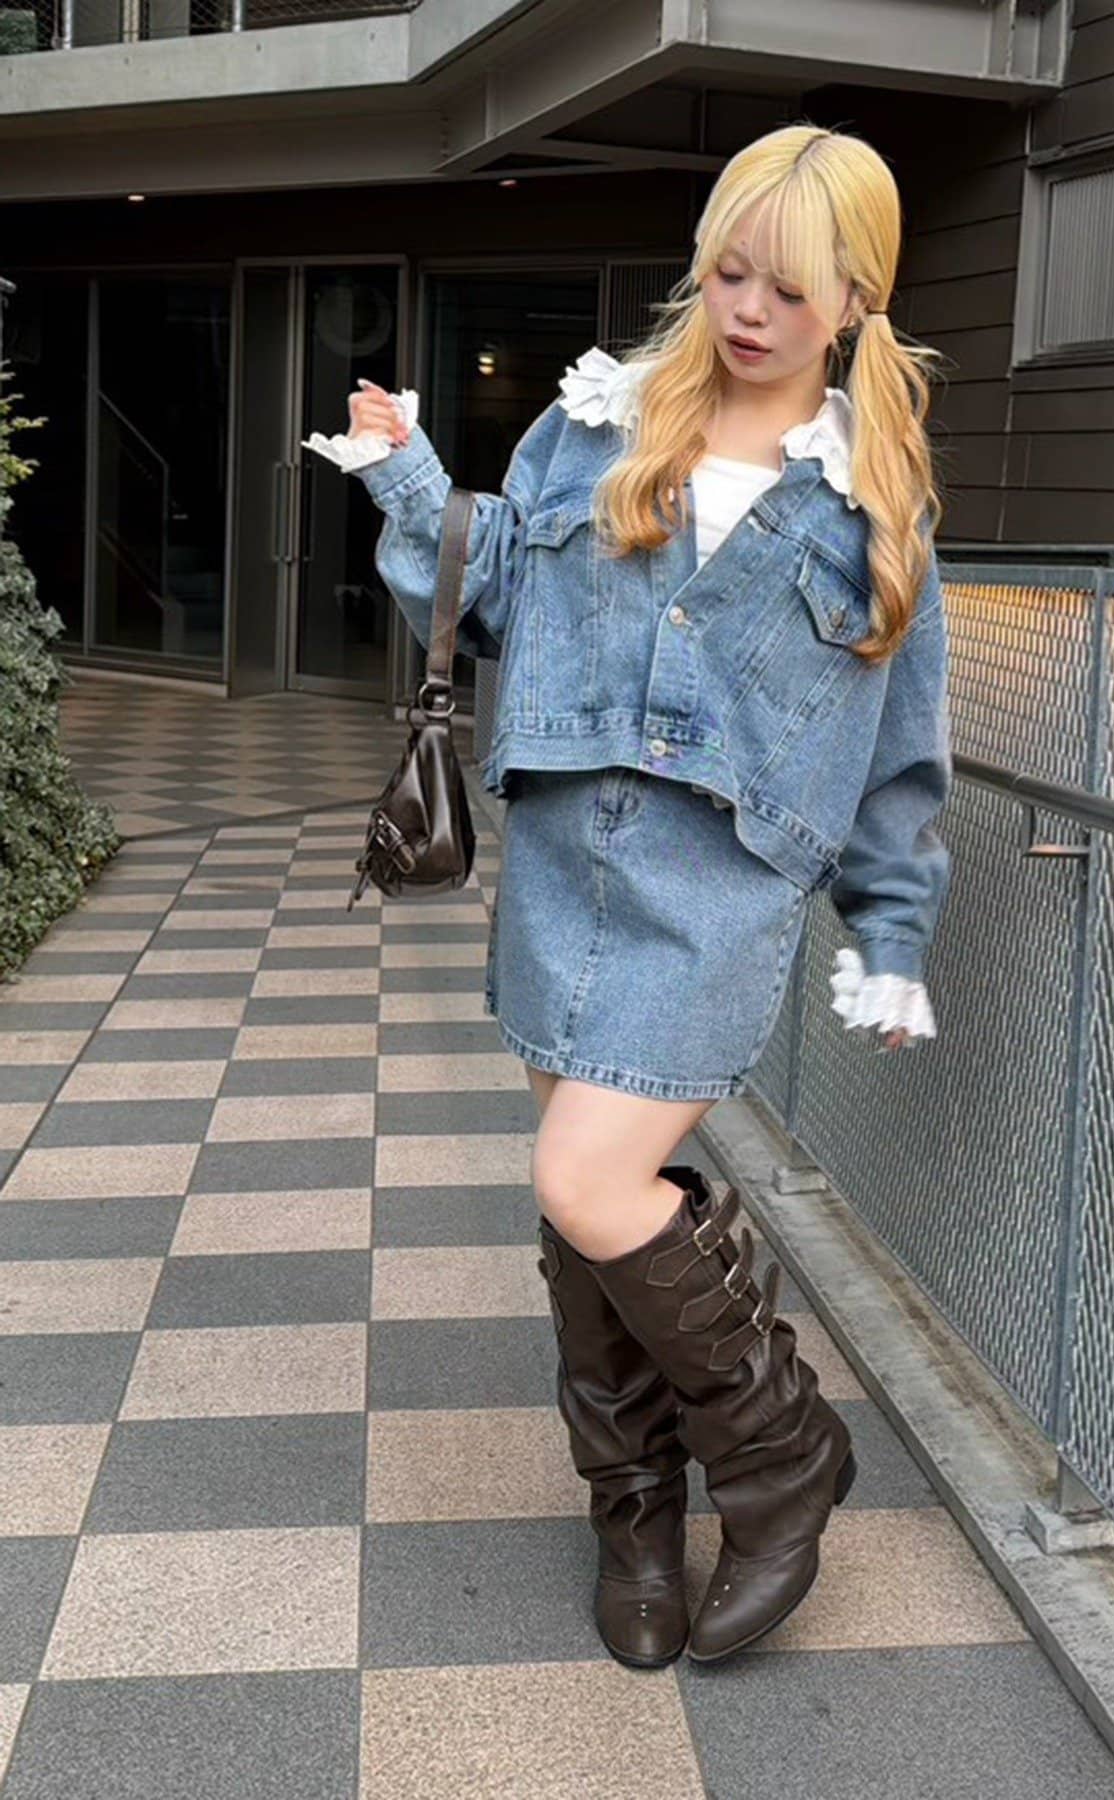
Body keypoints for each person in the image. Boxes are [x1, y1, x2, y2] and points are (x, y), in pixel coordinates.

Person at [307, 122, 953, 1670]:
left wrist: (892, 931)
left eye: (787, 288)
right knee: (584, 1207)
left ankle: (784, 1460)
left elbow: (898, 749)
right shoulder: (596, 426)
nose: (748, 311)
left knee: (591, 1183)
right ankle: (636, 1516)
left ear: (856, 299)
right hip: (563, 868)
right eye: (728, 274)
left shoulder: (869, 508)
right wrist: (410, 477)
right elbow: (493, 599)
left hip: (716, 892)